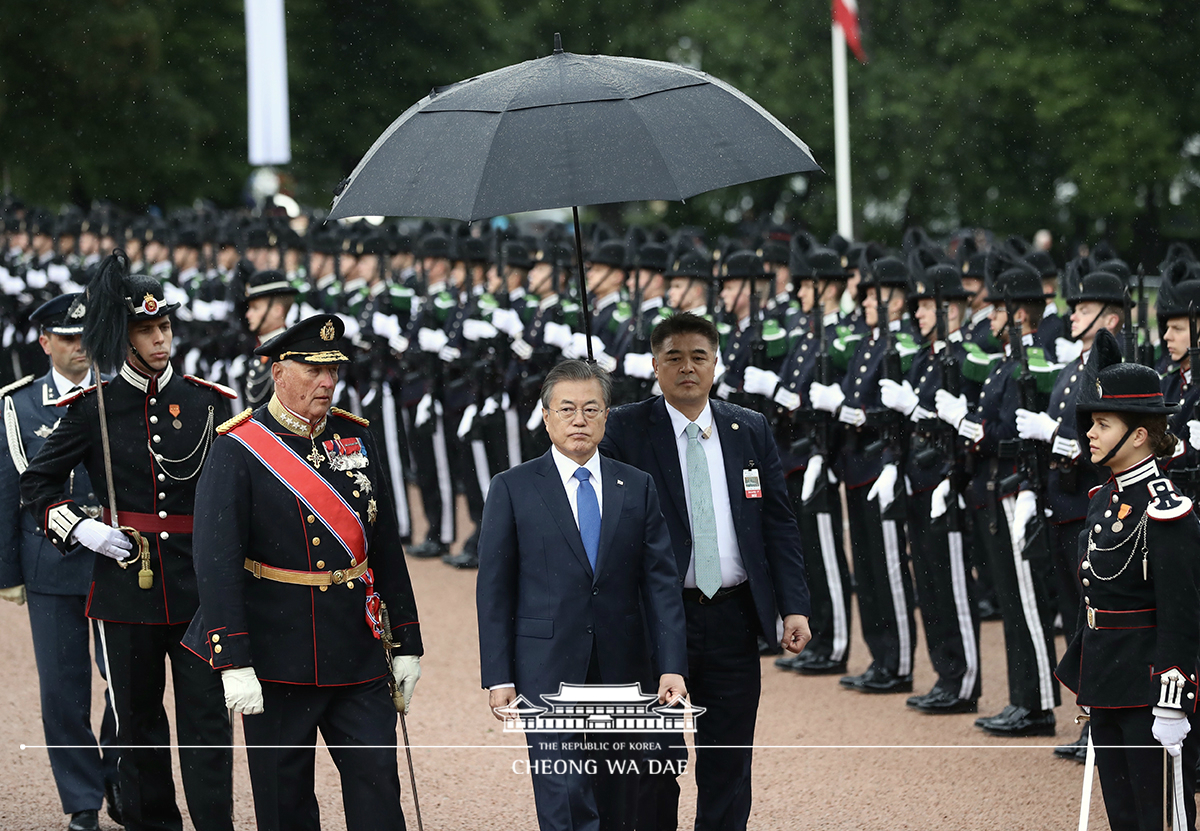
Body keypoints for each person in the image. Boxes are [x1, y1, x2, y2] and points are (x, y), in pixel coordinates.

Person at [181, 313, 423, 831]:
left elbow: (383, 545)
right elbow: (217, 561)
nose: (327, 381)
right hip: (277, 655)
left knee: (379, 789)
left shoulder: (356, 437)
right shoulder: (238, 447)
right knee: (283, 802)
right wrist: (233, 658)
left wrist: (406, 639)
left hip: (357, 649)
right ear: (278, 371)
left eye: (333, 369)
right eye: (313, 369)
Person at [20, 252, 235, 831]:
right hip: (124, 586)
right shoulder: (93, 408)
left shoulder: (209, 403)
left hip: (197, 591)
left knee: (207, 723)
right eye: (147, 329)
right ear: (125, 336)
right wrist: (81, 528)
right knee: (137, 726)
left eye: (165, 326)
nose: (162, 338)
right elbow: (36, 485)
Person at [599, 312, 810, 830]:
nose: (687, 368)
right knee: (656, 763)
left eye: (698, 356)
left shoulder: (749, 427)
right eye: (673, 357)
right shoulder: (625, 428)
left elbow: (778, 523)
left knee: (729, 762)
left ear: (716, 362)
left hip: (734, 616)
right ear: (654, 365)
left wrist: (795, 604)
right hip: (658, 620)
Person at [478, 359, 687, 831]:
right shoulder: (512, 488)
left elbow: (660, 584)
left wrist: (672, 664)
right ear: (546, 416)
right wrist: (498, 675)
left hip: (623, 667)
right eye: (566, 409)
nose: (579, 420)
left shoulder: (636, 486)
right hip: (545, 667)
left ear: (606, 416)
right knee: (565, 795)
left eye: (591, 409)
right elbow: (494, 590)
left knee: (619, 798)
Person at [1055, 329, 1200, 830]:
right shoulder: (1102, 498)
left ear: (1139, 433)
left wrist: (1172, 703)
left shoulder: (1167, 510)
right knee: (1123, 818)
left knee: (1160, 818)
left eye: (1102, 423)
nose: (1090, 434)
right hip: (1107, 678)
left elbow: (1182, 615)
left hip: (1146, 688)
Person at [0, 293, 121, 831]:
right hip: (49, 562)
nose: (79, 347)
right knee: (62, 688)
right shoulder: (18, 404)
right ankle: (82, 800)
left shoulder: (119, 396)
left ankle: (119, 775)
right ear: (45, 342)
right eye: (67, 338)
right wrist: (8, 574)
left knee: (126, 682)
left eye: (86, 337)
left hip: (117, 559)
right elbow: (7, 490)